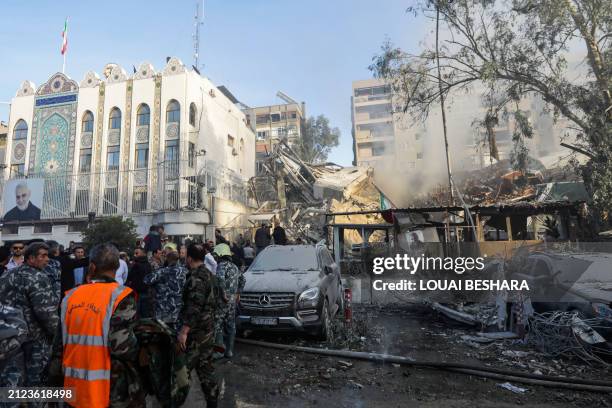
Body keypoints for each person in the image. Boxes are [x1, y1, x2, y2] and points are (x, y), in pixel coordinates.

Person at [51, 243, 144, 407]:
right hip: (107, 388)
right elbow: (122, 348)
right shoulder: (121, 296)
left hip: (72, 387)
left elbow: (58, 346)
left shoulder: (70, 297)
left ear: (91, 267)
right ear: (117, 266)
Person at [0, 242, 58, 387]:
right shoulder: (38, 277)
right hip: (34, 339)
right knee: (35, 380)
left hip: (10, 338)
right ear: (31, 258)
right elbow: (46, 314)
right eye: (43, 256)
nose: (47, 259)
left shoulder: (7, 274)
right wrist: (57, 338)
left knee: (12, 379)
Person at [177, 243, 220, 408]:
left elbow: (194, 305)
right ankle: (212, 403)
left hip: (196, 332)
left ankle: (174, 401)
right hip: (208, 329)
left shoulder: (196, 278)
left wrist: (184, 331)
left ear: (189, 259)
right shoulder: (210, 275)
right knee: (206, 369)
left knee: (182, 370)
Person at [143, 245, 188, 331]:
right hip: (180, 310)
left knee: (164, 337)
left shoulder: (162, 272)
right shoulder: (185, 272)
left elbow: (146, 280)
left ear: (168, 259)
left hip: (163, 311)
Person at [212, 244, 245, 359]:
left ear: (220, 254)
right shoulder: (234, 266)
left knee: (218, 324)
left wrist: (223, 294)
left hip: (223, 300)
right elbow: (243, 279)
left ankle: (220, 351)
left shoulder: (221, 265)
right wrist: (238, 294)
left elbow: (220, 279)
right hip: (232, 301)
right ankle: (229, 351)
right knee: (231, 325)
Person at [127, 247, 153, 318]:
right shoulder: (148, 264)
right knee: (145, 314)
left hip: (137, 293)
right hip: (145, 291)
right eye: (134, 253)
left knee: (136, 314)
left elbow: (130, 277)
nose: (135, 255)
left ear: (142, 253)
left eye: (136, 253)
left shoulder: (136, 264)